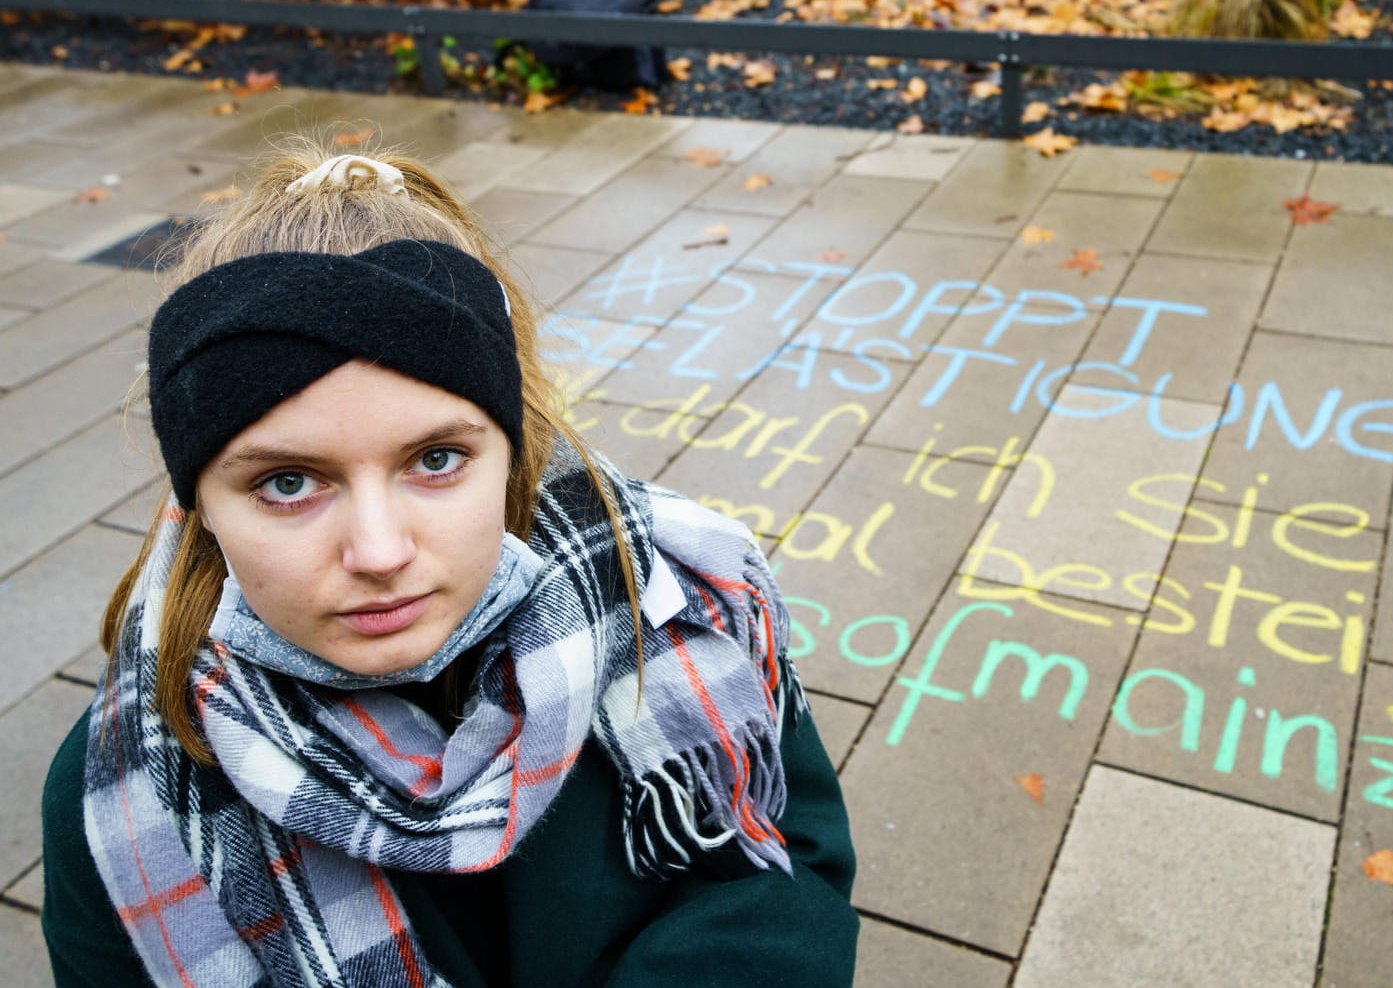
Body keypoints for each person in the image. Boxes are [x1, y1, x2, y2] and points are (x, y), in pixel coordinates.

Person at [38, 143, 860, 987]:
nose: (380, 552)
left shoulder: (670, 604)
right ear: (198, 505)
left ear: (513, 450)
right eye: (288, 482)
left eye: (435, 461)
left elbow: (793, 855)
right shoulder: (129, 789)